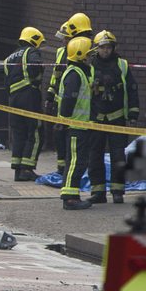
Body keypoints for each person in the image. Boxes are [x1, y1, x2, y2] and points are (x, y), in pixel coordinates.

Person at [87, 30, 139, 204]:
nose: (106, 51)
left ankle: (118, 191)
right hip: (96, 118)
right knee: (95, 155)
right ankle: (98, 191)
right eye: (103, 48)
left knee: (118, 156)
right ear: (97, 49)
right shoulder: (90, 66)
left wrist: (133, 113)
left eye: (109, 47)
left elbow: (132, 89)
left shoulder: (122, 65)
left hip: (117, 118)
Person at [47, 13, 93, 173]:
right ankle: (63, 170)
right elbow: (56, 75)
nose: (64, 41)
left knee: (75, 146)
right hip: (64, 105)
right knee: (61, 139)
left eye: (67, 37)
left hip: (81, 110)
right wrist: (50, 95)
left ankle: (69, 173)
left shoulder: (88, 52)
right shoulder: (62, 52)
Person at [3, 27, 47, 182]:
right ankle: (27, 169)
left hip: (13, 99)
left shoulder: (9, 58)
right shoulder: (31, 52)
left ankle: (17, 170)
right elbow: (35, 66)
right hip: (29, 96)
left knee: (18, 134)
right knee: (35, 133)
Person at [56, 36, 96, 210]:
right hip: (75, 126)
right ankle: (70, 198)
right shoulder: (75, 74)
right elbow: (68, 101)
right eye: (89, 54)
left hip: (81, 125)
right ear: (81, 55)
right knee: (75, 162)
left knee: (79, 161)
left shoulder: (81, 72)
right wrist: (64, 122)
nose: (91, 57)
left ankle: (73, 194)